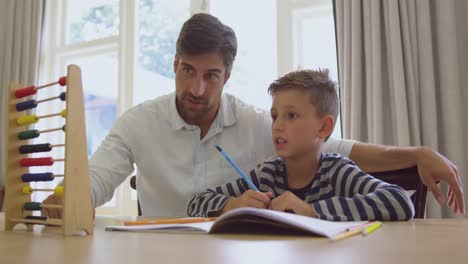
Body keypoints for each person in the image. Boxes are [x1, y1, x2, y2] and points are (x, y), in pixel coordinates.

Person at [42, 13, 463, 218]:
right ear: (174, 64)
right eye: (188, 71)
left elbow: (337, 147)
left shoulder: (262, 124)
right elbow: (95, 179)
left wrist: (417, 153)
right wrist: (67, 198)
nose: (196, 89)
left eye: (211, 76)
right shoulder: (137, 122)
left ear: (228, 75)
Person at [187, 69, 415, 220]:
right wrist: (232, 205)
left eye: (292, 116)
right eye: (275, 116)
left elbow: (400, 201)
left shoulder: (336, 172)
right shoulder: (267, 174)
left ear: (324, 128)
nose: (277, 126)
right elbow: (196, 203)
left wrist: (312, 211)